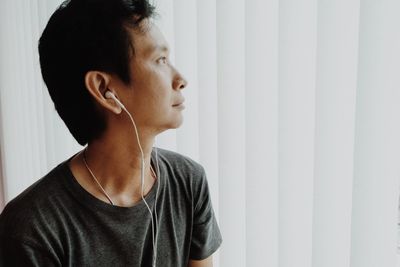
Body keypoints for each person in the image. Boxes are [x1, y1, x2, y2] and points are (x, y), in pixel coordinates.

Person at [0, 0, 222, 266]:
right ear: (105, 89)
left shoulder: (188, 181)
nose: (181, 79)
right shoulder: (33, 228)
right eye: (160, 60)